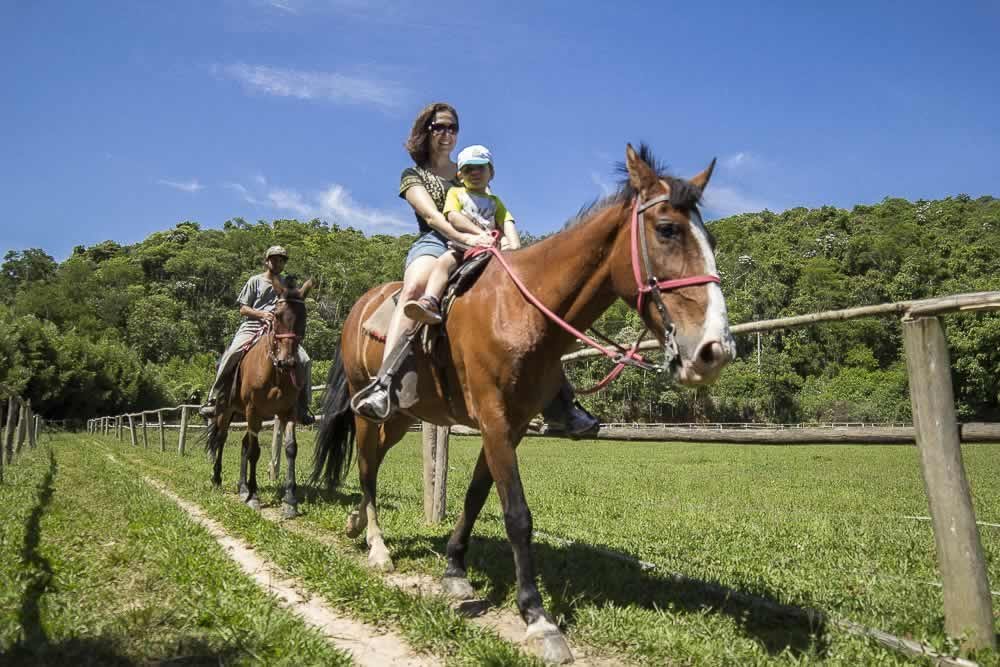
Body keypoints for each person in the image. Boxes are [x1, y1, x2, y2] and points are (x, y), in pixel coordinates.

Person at [352, 102, 599, 437]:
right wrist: (469, 237)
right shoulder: (414, 176)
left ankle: (561, 402)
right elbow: (434, 218)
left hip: (482, 244)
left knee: (524, 303)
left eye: (452, 127)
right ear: (425, 131)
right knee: (415, 286)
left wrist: (505, 242)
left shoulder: (467, 167)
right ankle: (385, 382)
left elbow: (492, 210)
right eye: (438, 127)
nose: (446, 134)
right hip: (436, 243)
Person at [404, 144, 519, 324]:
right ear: (460, 175)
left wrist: (513, 247)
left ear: (491, 172)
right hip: (464, 247)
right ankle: (430, 300)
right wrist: (480, 234)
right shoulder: (456, 193)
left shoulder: (495, 202)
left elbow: (507, 221)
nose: (474, 173)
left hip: (491, 251)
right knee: (444, 263)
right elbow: (454, 217)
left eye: (480, 167)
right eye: (468, 169)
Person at [199, 245, 314, 425]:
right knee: (231, 354)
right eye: (274, 259)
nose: (277, 262)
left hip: (278, 330)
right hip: (253, 325)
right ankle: (214, 398)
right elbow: (243, 309)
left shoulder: (285, 285)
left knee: (305, 360)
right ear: (267, 261)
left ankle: (303, 405)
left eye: (281, 260)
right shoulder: (255, 281)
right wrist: (262, 314)